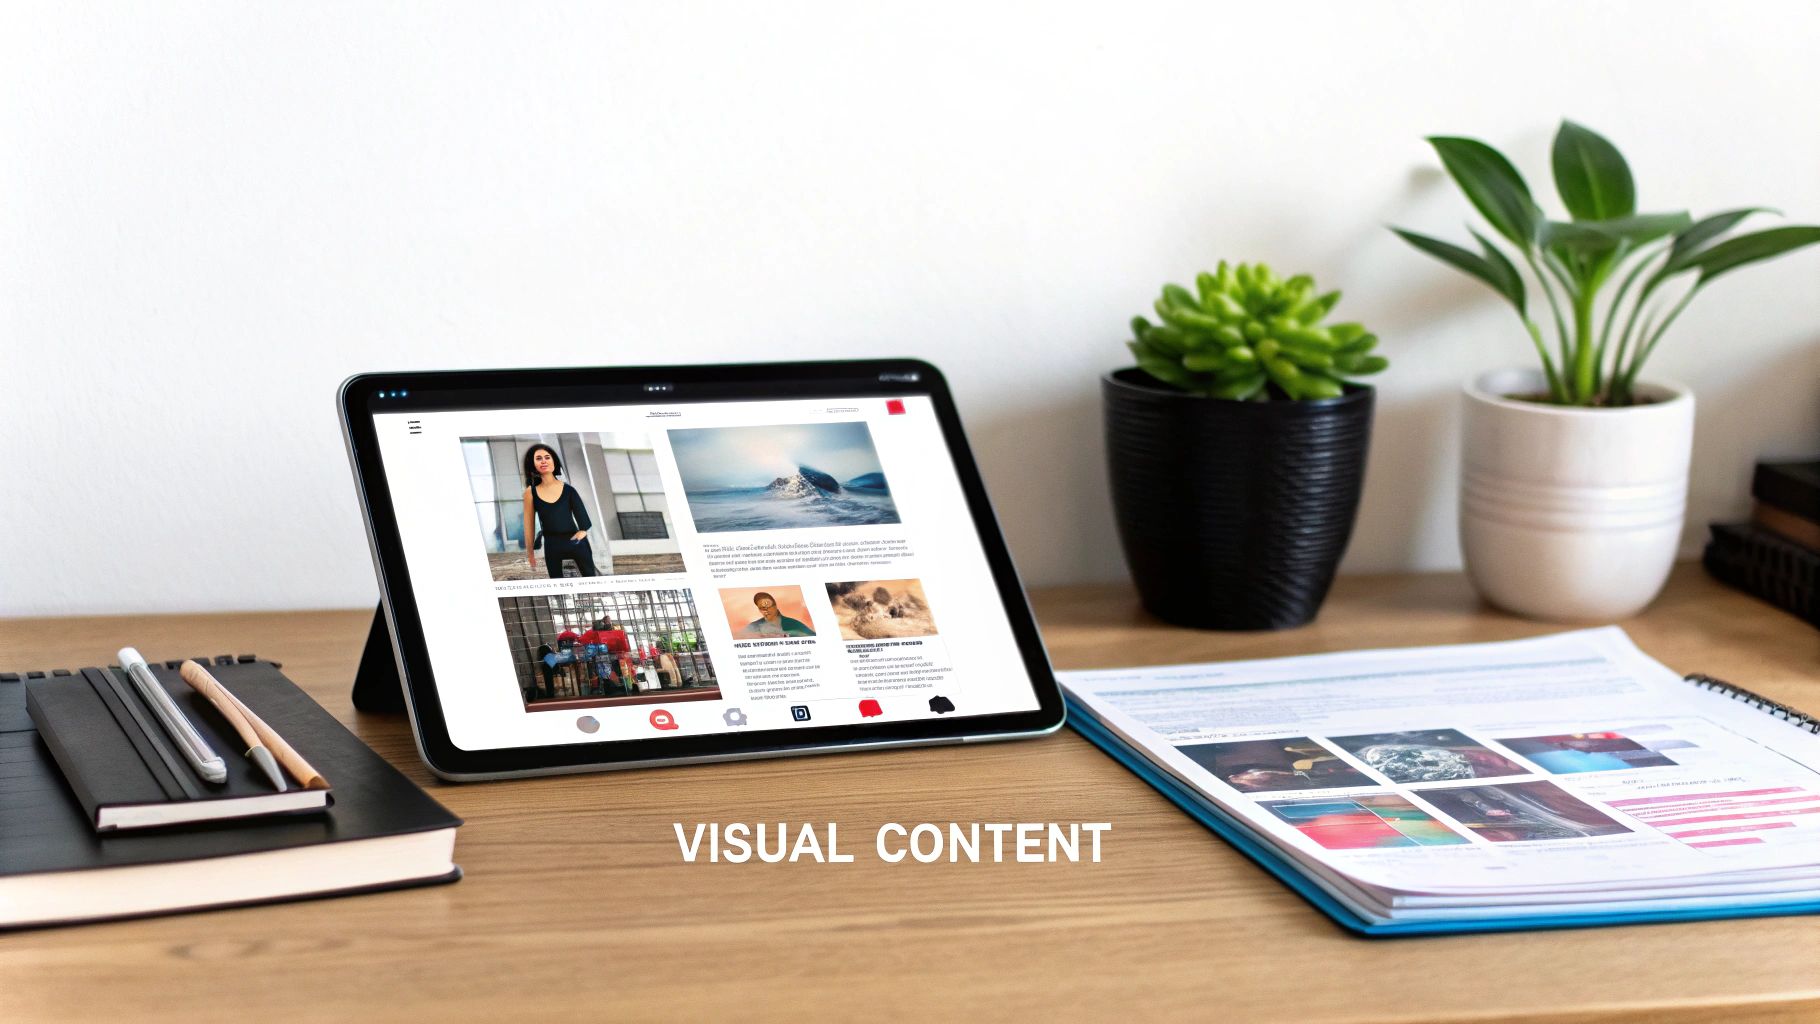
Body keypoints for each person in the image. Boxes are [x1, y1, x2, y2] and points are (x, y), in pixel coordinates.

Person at [521, 443, 599, 579]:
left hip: (575, 541)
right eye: (538, 458)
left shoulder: (569, 490)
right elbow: (529, 526)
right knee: (556, 582)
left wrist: (582, 532)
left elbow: (583, 517)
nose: (544, 461)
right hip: (552, 544)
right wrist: (530, 554)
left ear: (554, 462)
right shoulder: (530, 493)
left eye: (547, 457)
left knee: (590, 578)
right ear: (532, 464)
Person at [740, 591, 816, 638]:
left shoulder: (794, 624)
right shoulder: (753, 626)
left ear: (775, 606)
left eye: (768, 606)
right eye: (762, 608)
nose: (766, 610)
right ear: (759, 609)